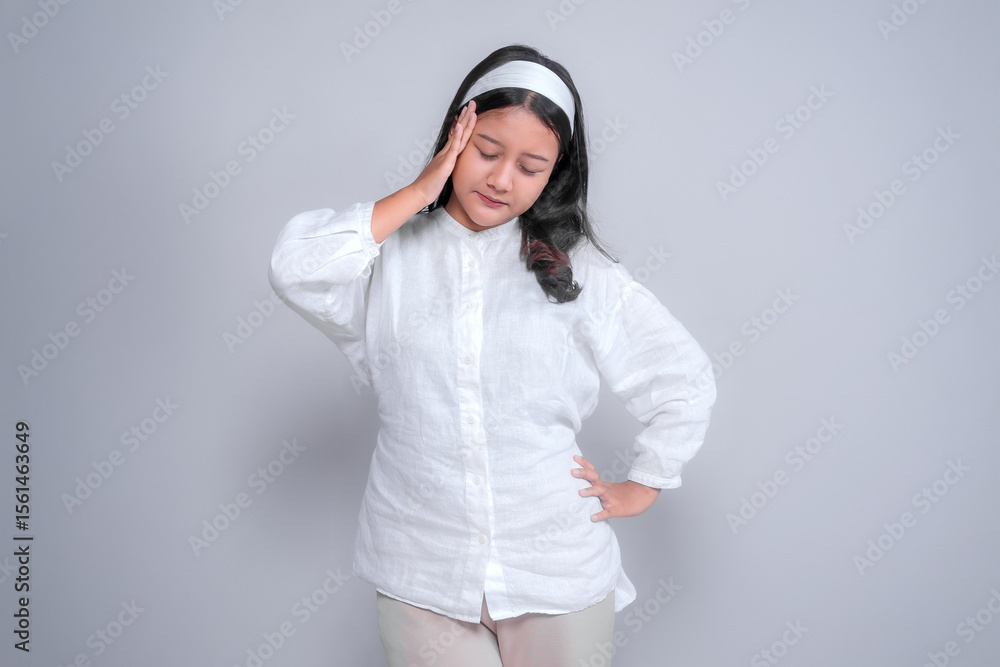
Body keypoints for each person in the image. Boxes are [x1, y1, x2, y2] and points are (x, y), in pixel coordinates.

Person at [268, 43, 716, 667]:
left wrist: (645, 484)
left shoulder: (578, 270)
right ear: (458, 134)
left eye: (531, 167)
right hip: (419, 568)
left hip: (554, 570)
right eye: (485, 152)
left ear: (555, 173)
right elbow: (294, 267)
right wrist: (418, 191)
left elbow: (683, 379)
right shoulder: (388, 254)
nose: (502, 180)